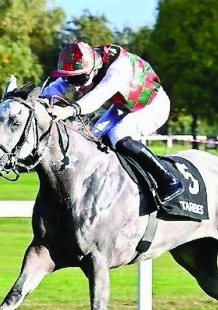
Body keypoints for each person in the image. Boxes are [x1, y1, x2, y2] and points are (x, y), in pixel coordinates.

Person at [44, 41, 184, 204]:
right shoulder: (87, 65)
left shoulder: (118, 68)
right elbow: (54, 89)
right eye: (70, 79)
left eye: (80, 79)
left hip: (154, 105)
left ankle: (167, 180)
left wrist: (68, 111)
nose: (75, 87)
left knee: (118, 134)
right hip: (125, 106)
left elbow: (98, 96)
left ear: (94, 69)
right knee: (94, 137)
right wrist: (32, 100)